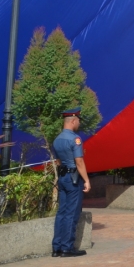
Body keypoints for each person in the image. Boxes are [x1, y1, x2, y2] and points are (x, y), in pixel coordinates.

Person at [51, 107, 90, 257]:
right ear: (73, 121)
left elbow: (59, 161)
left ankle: (57, 247)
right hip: (74, 179)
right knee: (72, 213)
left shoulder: (57, 139)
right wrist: (86, 180)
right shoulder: (75, 139)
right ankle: (67, 247)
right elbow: (79, 161)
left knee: (61, 212)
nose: (79, 123)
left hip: (63, 177)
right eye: (78, 121)